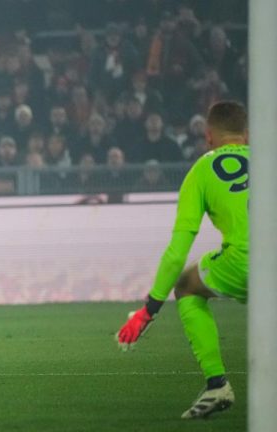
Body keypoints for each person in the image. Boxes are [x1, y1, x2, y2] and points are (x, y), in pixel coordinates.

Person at [116, 101, 248, 419]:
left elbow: (177, 252)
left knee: (187, 286)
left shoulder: (202, 170)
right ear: (246, 134)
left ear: (208, 136)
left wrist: (149, 311)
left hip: (245, 263)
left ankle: (217, 383)